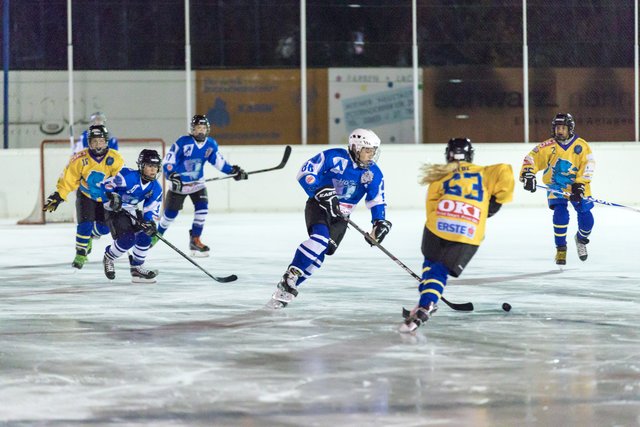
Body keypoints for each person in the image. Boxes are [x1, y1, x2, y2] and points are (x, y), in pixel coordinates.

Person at [267, 128, 392, 309]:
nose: (371, 155)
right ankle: (290, 275)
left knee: (323, 252)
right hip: (320, 206)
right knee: (319, 240)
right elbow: (305, 172)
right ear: (355, 148)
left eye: (373, 151)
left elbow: (376, 200)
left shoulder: (373, 173)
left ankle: (286, 290)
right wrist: (319, 190)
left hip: (341, 217)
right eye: (367, 150)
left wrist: (378, 222)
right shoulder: (335, 157)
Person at [400, 138, 514, 332]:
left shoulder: (440, 176)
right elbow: (505, 172)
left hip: (439, 225)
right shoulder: (484, 172)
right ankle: (426, 302)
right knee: (440, 270)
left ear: (448, 155)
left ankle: (427, 301)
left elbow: (432, 205)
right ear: (470, 155)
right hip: (468, 231)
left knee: (432, 265)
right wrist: (492, 204)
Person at [154, 115, 248, 257]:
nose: (201, 131)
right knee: (169, 216)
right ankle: (155, 235)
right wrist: (172, 174)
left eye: (203, 128)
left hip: (198, 184)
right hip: (179, 186)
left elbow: (219, 162)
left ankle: (195, 239)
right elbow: (169, 160)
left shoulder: (210, 145)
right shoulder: (183, 142)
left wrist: (233, 171)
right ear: (193, 129)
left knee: (202, 210)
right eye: (198, 128)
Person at [43, 125, 125, 269]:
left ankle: (90, 235)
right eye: (94, 142)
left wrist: (120, 197)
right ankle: (80, 254)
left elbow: (122, 181)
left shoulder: (115, 158)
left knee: (105, 228)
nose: (98, 145)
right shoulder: (79, 158)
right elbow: (68, 179)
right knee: (84, 225)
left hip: (105, 198)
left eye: (101, 141)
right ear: (89, 143)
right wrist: (59, 195)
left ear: (106, 142)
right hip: (86, 195)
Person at [519, 113, 595, 265]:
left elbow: (588, 166)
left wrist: (579, 185)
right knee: (561, 214)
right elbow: (531, 158)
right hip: (556, 186)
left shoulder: (582, 146)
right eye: (557, 128)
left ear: (570, 129)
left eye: (563, 128)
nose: (559, 131)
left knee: (587, 218)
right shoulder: (548, 146)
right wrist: (528, 174)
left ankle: (581, 239)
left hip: (578, 187)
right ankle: (561, 248)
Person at [101, 149, 163, 284]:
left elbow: (151, 208)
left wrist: (149, 222)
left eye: (155, 166)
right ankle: (109, 257)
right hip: (114, 210)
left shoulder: (156, 188)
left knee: (146, 235)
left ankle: (137, 268)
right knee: (128, 239)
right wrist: (112, 198)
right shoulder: (127, 176)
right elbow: (105, 186)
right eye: (149, 166)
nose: (153, 170)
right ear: (141, 166)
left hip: (132, 210)